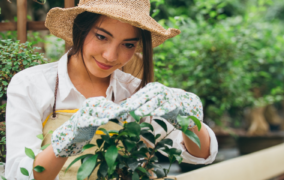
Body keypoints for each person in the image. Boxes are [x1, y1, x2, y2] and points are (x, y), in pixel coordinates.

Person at [5, 0, 218, 179]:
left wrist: (189, 119)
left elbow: (200, 155)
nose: (110, 56)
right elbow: (19, 174)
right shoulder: (31, 85)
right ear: (80, 29)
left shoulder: (134, 92)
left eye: (128, 45)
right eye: (101, 37)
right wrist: (69, 139)